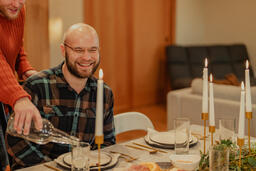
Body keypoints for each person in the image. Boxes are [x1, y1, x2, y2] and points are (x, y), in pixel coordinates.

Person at [6, 23, 116, 169]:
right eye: (78, 50)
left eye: (92, 50)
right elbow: (16, 141)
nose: (87, 57)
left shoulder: (105, 93)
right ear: (63, 50)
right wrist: (52, 168)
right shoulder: (37, 86)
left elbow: (107, 143)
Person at [0, 0, 42, 170]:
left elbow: (16, 47)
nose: (17, 3)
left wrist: (25, 69)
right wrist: (18, 98)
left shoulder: (16, 9)